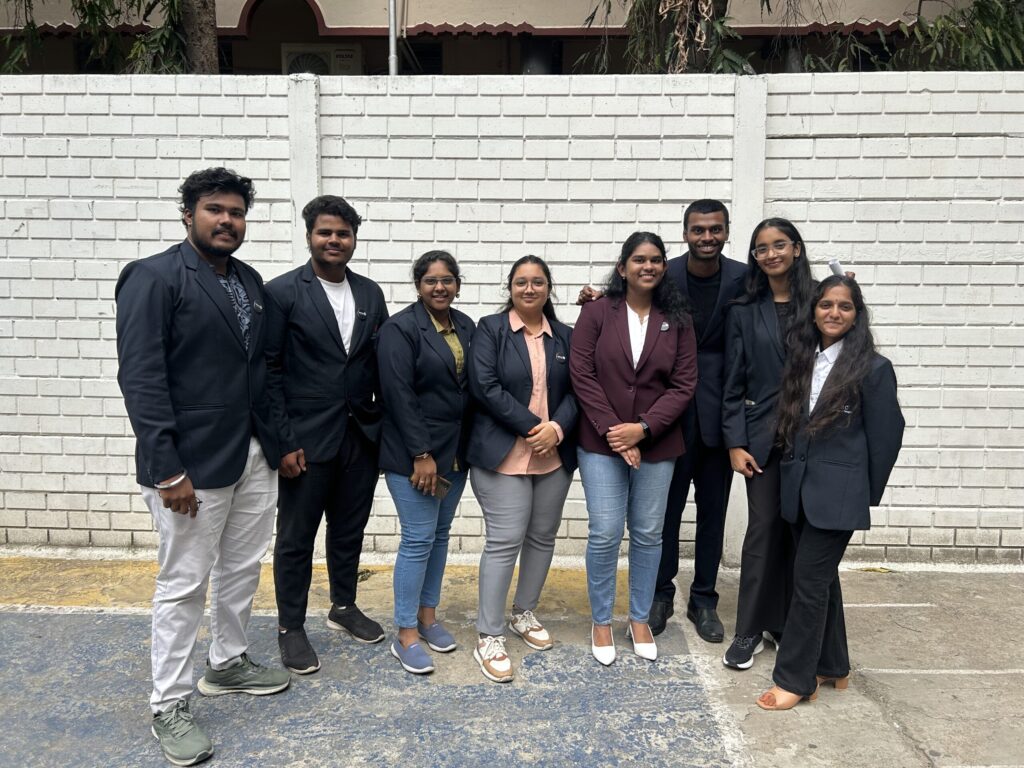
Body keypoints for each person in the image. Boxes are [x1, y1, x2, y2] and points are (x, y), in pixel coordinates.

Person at [115, 168, 290, 767]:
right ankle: (169, 702)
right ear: (188, 214)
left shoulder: (249, 281)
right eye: (215, 210)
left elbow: (261, 370)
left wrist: (277, 443)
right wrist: (167, 470)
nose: (227, 221)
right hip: (190, 464)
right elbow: (142, 377)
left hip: (252, 455)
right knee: (184, 583)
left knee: (242, 566)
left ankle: (228, 662)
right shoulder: (154, 277)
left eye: (237, 212)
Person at [579, 200, 745, 643]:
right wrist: (595, 298)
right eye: (698, 230)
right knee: (656, 520)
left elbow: (790, 294)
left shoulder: (744, 278)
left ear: (726, 232)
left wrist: (837, 284)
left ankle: (704, 599)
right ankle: (657, 597)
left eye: (715, 229)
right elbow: (592, 359)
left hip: (714, 413)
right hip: (666, 423)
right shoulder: (662, 277)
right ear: (686, 233)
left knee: (710, 513)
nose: (707, 237)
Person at [757, 276, 904, 709]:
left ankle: (794, 679)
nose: (834, 313)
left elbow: (887, 437)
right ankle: (833, 665)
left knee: (807, 583)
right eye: (826, 304)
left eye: (845, 306)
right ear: (813, 310)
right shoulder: (803, 360)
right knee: (821, 580)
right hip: (799, 490)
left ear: (857, 316)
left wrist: (861, 493)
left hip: (839, 496)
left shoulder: (873, 369)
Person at [265, 195, 389, 675]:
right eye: (325, 232)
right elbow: (269, 372)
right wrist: (282, 441)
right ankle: (290, 627)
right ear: (309, 236)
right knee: (296, 538)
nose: (334, 240)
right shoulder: (282, 292)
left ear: (353, 239)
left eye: (343, 233)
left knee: (349, 529)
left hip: (359, 437)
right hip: (304, 441)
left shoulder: (370, 294)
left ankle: (343, 605)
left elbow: (377, 364)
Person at [569, 232, 697, 666]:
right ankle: (601, 620)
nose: (649, 266)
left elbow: (684, 384)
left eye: (656, 259)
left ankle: (639, 618)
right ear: (622, 268)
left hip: (657, 443)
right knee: (606, 531)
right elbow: (582, 373)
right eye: (639, 259)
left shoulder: (677, 318)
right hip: (600, 442)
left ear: (664, 267)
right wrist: (615, 431)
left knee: (647, 533)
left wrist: (642, 429)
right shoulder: (596, 311)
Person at [466, 256, 578, 683]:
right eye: (520, 282)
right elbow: (485, 386)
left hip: (553, 456)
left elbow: (580, 390)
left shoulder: (565, 336)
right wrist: (536, 427)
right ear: (510, 288)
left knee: (543, 536)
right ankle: (489, 634)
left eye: (537, 282)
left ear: (549, 288)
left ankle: (523, 613)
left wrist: (557, 428)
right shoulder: (490, 329)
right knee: (504, 540)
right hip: (503, 453)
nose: (529, 289)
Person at [720, 217, 816, 671]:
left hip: (814, 437)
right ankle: (749, 629)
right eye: (762, 248)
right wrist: (735, 441)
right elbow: (733, 382)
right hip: (761, 439)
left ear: (796, 248)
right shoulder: (744, 310)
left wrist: (847, 291)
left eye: (780, 244)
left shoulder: (819, 303)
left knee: (801, 533)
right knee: (762, 531)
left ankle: (788, 624)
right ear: (754, 257)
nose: (771, 253)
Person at [378, 250, 475, 675]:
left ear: (458, 285)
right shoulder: (400, 329)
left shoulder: (466, 326)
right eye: (431, 280)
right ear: (418, 285)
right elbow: (398, 395)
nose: (440, 287)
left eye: (447, 280)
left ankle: (427, 617)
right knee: (418, 538)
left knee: (439, 536)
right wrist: (421, 454)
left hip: (455, 454)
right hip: (415, 457)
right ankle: (405, 633)